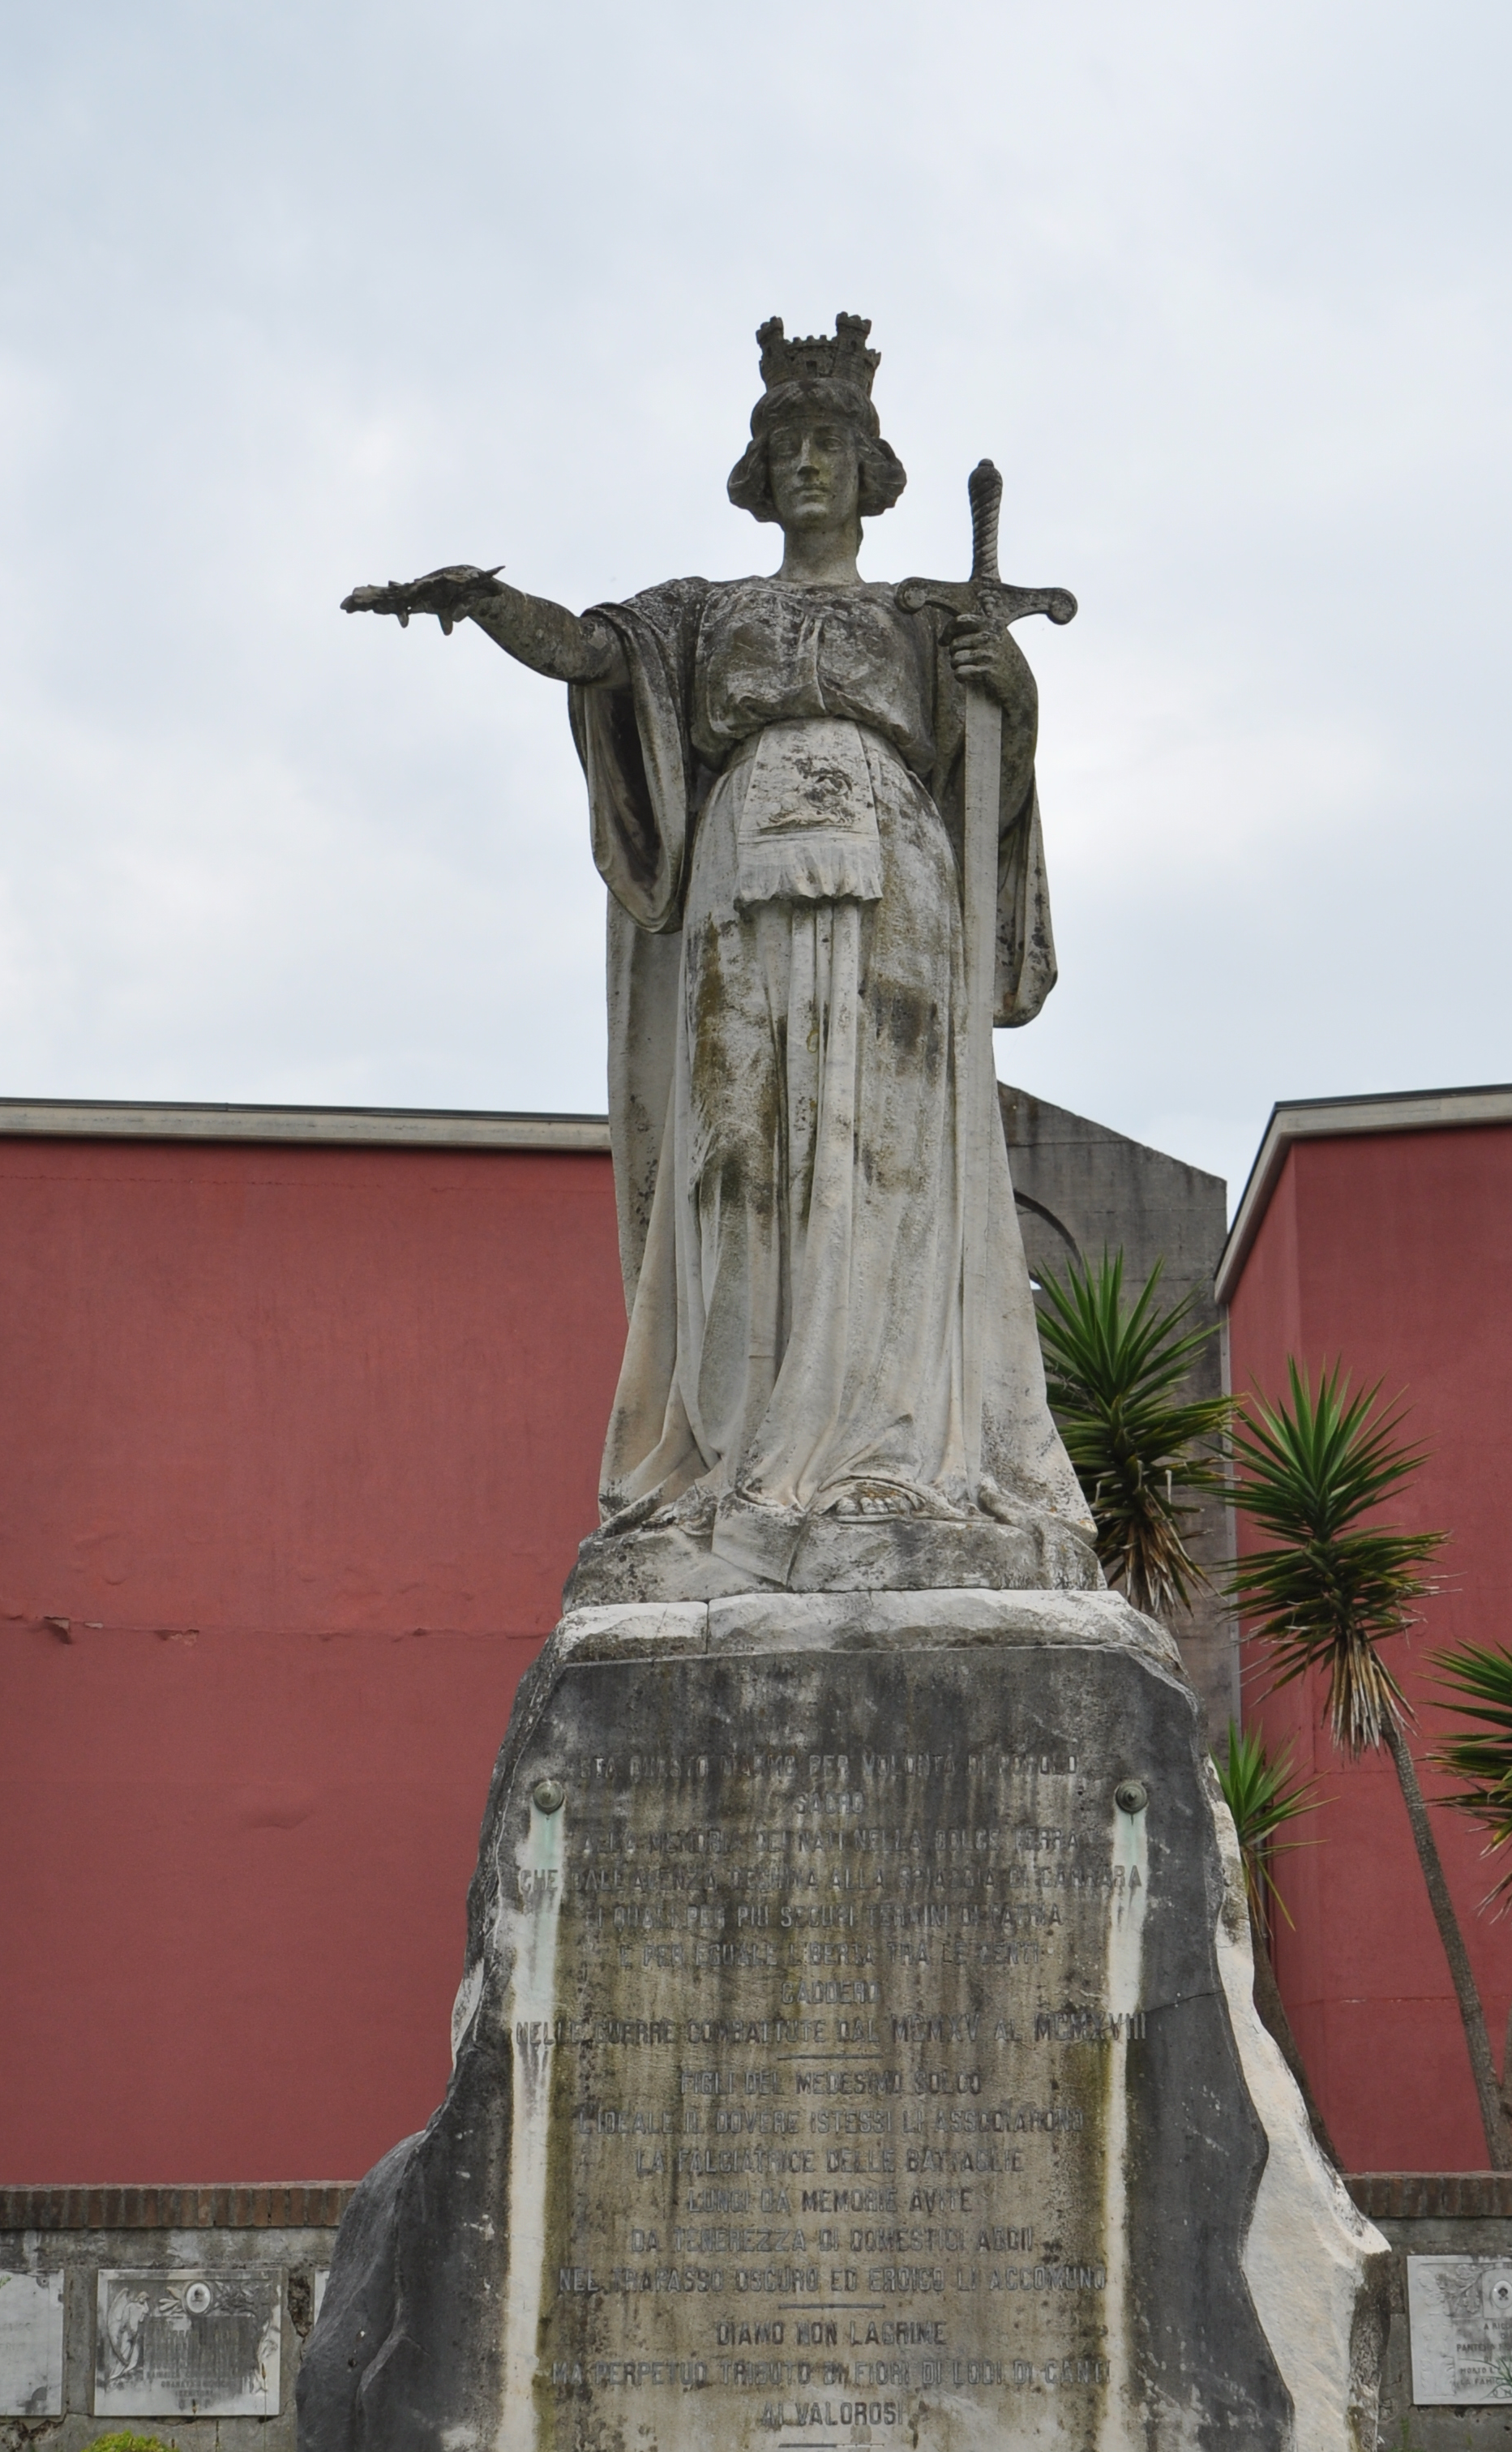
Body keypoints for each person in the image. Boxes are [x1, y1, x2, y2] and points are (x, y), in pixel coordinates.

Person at [347, 314, 1094, 1593]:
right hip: (739, 883)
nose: (808, 462)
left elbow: (994, 772)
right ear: (759, 475)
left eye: (830, 441)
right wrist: (485, 604)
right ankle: (735, 1453)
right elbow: (592, 653)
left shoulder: (923, 618)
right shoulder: (703, 615)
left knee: (886, 1156)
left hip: (895, 881)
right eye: (786, 443)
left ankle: (891, 1455)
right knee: (735, 1157)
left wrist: (1006, 690)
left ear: (870, 468)